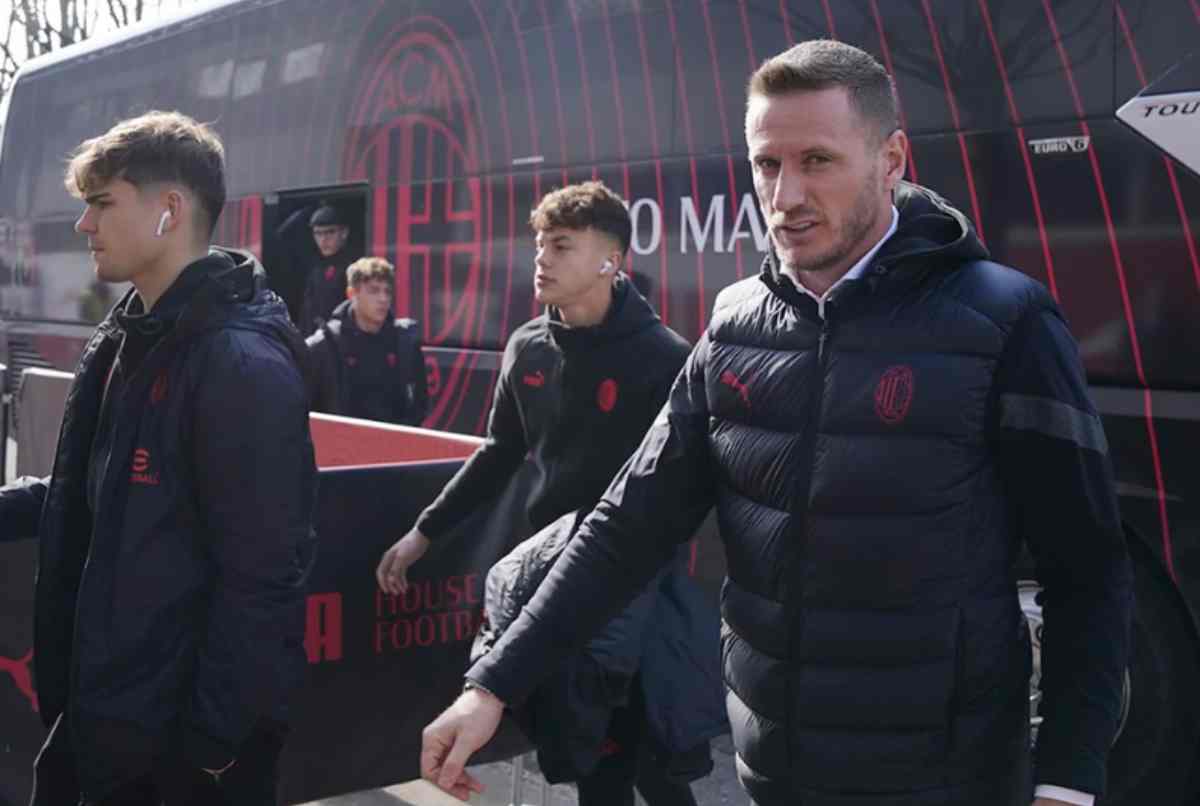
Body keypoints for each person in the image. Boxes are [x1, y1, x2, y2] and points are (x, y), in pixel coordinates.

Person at [418, 40, 1133, 806]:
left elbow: (1086, 573)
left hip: (944, 783)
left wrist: (1067, 783)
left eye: (817, 160)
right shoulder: (734, 326)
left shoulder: (1006, 322)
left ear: (891, 159)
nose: (785, 194)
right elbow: (626, 527)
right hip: (774, 777)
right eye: (766, 164)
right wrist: (492, 684)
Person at [0, 110, 317, 806]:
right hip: (103, 721)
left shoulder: (240, 363)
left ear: (169, 210)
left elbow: (264, 579)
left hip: (178, 757)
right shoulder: (125, 337)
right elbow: (97, 490)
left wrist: (209, 749)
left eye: (102, 203)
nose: (84, 224)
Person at [377, 181, 721, 805]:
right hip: (549, 585)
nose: (541, 258)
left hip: (633, 591)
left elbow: (681, 500)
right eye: (539, 243)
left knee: (648, 763)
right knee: (594, 762)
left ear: (610, 260)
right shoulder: (526, 347)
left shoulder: (665, 358)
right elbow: (498, 453)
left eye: (561, 245)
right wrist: (423, 532)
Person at [305, 256, 428, 425]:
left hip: (393, 439)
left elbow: (419, 406)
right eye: (374, 290)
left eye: (387, 291)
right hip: (342, 440)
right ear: (352, 294)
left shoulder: (405, 343)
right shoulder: (324, 346)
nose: (383, 299)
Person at [277, 202, 356, 332]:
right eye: (318, 233)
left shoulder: (353, 267)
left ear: (344, 233)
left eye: (330, 232)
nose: (323, 239)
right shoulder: (315, 268)